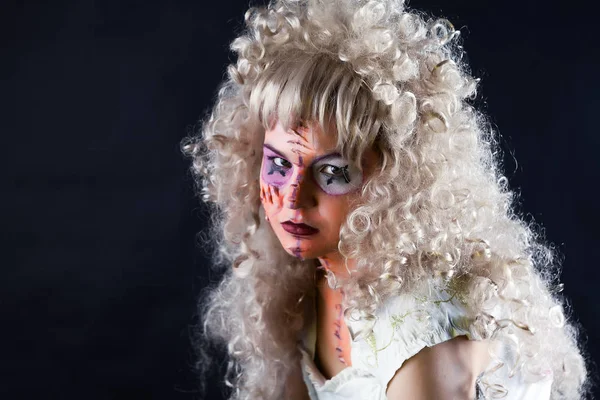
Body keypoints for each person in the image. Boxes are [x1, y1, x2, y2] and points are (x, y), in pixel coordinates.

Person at [180, 0, 590, 398]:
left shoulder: (419, 325)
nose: (293, 198)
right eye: (279, 164)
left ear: (395, 180)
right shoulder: (307, 278)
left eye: (334, 173)